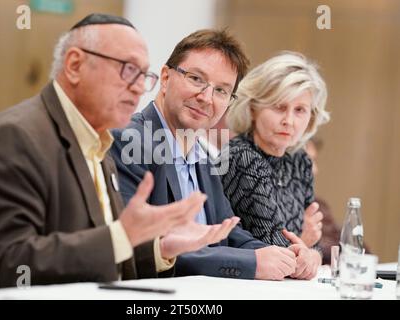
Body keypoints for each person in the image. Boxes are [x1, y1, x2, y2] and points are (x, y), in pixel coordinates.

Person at [0, 14, 236, 299]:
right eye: (127, 70)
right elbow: (8, 263)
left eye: (142, 76)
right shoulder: (14, 137)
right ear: (75, 65)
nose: (139, 87)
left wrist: (159, 248)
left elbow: (104, 255)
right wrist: (123, 235)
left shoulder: (98, 144)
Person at [111, 30, 320, 281]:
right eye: (196, 79)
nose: (206, 98)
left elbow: (227, 231)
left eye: (221, 90)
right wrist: (251, 263)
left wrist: (288, 255)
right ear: (165, 78)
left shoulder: (205, 156)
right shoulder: (130, 141)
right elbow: (144, 247)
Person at [221, 51, 330, 277]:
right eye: (279, 107)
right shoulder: (240, 156)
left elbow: (314, 244)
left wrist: (314, 254)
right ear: (253, 108)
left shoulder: (300, 161)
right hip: (239, 282)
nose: (288, 121)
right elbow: (272, 247)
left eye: (300, 110)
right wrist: (305, 241)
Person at [304, 138, 371, 264]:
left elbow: (358, 249)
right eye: (308, 160)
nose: (314, 170)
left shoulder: (320, 205)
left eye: (313, 161)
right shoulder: (279, 205)